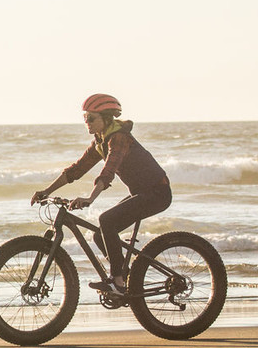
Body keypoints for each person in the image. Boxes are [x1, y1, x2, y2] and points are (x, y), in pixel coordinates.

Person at [32, 93, 172, 295]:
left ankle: (117, 282)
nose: (86, 123)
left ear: (106, 119)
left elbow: (108, 171)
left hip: (157, 193)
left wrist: (90, 198)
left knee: (106, 220)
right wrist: (46, 192)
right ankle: (127, 277)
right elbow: (76, 171)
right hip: (142, 192)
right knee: (100, 235)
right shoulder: (100, 142)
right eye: (85, 118)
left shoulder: (119, 139)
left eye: (91, 118)